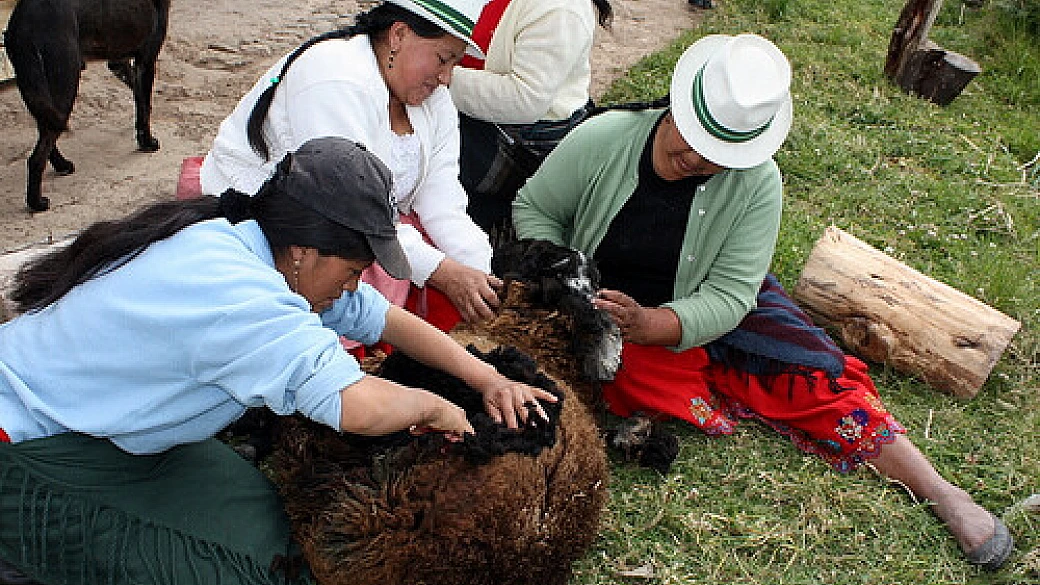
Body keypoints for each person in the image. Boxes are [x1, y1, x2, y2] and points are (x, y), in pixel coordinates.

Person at [512, 33, 1014, 570]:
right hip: (586, 302)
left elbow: (730, 293)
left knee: (816, 378)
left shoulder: (757, 183)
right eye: (692, 140)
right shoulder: (605, 138)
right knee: (501, 341)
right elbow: (534, 209)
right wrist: (571, 277)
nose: (698, 159)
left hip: (698, 311)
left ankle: (943, 493)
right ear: (677, 108)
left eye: (718, 155)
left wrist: (656, 322)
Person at [0, 137, 556, 585]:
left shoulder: (247, 244)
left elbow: (382, 320)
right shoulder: (242, 300)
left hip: (115, 433)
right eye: (354, 270)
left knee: (273, 528)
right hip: (30, 444)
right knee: (250, 572)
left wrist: (486, 376)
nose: (356, 285)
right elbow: (354, 406)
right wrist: (437, 409)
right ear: (304, 251)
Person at [200, 0, 502, 336]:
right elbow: (347, 202)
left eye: (455, 64)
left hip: (370, 224)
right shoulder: (334, 77)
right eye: (443, 59)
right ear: (399, 35)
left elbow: (442, 199)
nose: (446, 78)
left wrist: (482, 271)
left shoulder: (434, 100)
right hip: (283, 223)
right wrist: (443, 271)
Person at [448, 0, 612, 236]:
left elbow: (525, 99)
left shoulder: (561, 9)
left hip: (523, 141)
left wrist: (438, 72)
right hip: (475, 109)